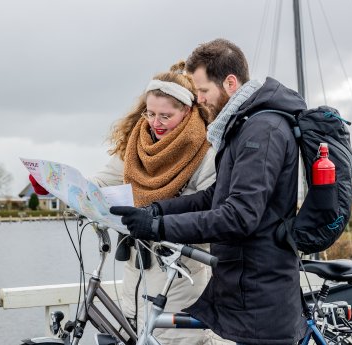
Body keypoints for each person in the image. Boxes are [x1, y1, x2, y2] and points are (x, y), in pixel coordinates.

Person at [110, 38, 308, 345]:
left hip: (259, 302)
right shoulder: (243, 125)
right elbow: (214, 196)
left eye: (202, 91)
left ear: (230, 82)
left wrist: (157, 227)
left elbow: (239, 216)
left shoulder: (262, 130)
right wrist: (156, 211)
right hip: (240, 291)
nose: (199, 100)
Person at [29, 61, 232, 345]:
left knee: (177, 340)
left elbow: (209, 213)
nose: (155, 122)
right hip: (137, 269)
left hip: (180, 273)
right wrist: (57, 186)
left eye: (165, 115)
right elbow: (102, 182)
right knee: (135, 332)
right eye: (150, 113)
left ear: (187, 111)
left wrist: (158, 221)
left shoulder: (205, 152)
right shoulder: (136, 147)